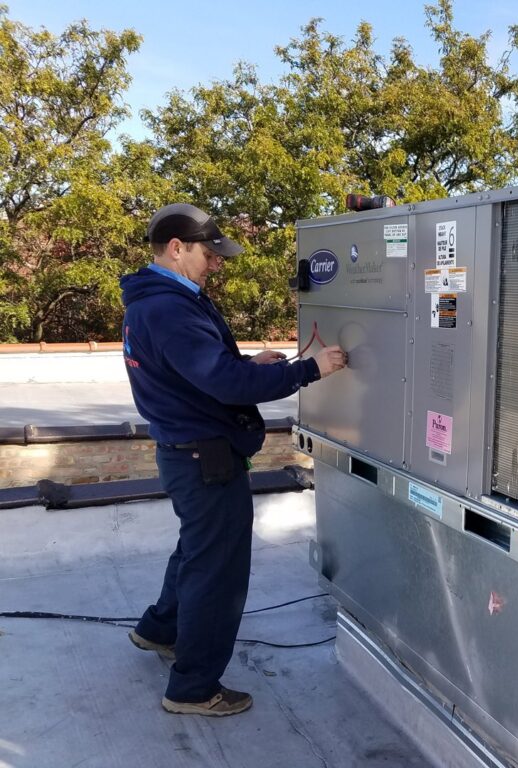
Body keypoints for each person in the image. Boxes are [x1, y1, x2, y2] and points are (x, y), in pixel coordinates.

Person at [120, 203, 347, 717]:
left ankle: (159, 630)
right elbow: (224, 384)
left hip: (186, 452)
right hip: (204, 458)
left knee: (196, 552)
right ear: (176, 248)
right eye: (209, 253)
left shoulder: (153, 301)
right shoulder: (170, 308)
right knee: (216, 572)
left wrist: (247, 362)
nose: (217, 263)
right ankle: (194, 688)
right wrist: (309, 369)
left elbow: (199, 371)